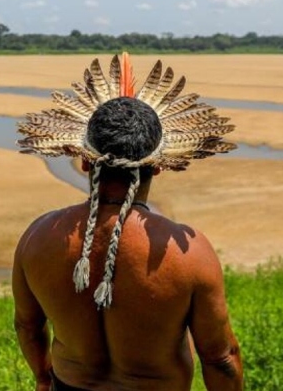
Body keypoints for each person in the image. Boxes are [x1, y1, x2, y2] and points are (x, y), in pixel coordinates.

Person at [13, 54, 243, 390]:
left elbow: (27, 327)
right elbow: (221, 358)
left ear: (84, 161)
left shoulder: (38, 238)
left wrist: (42, 378)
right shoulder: (190, 254)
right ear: (161, 164)